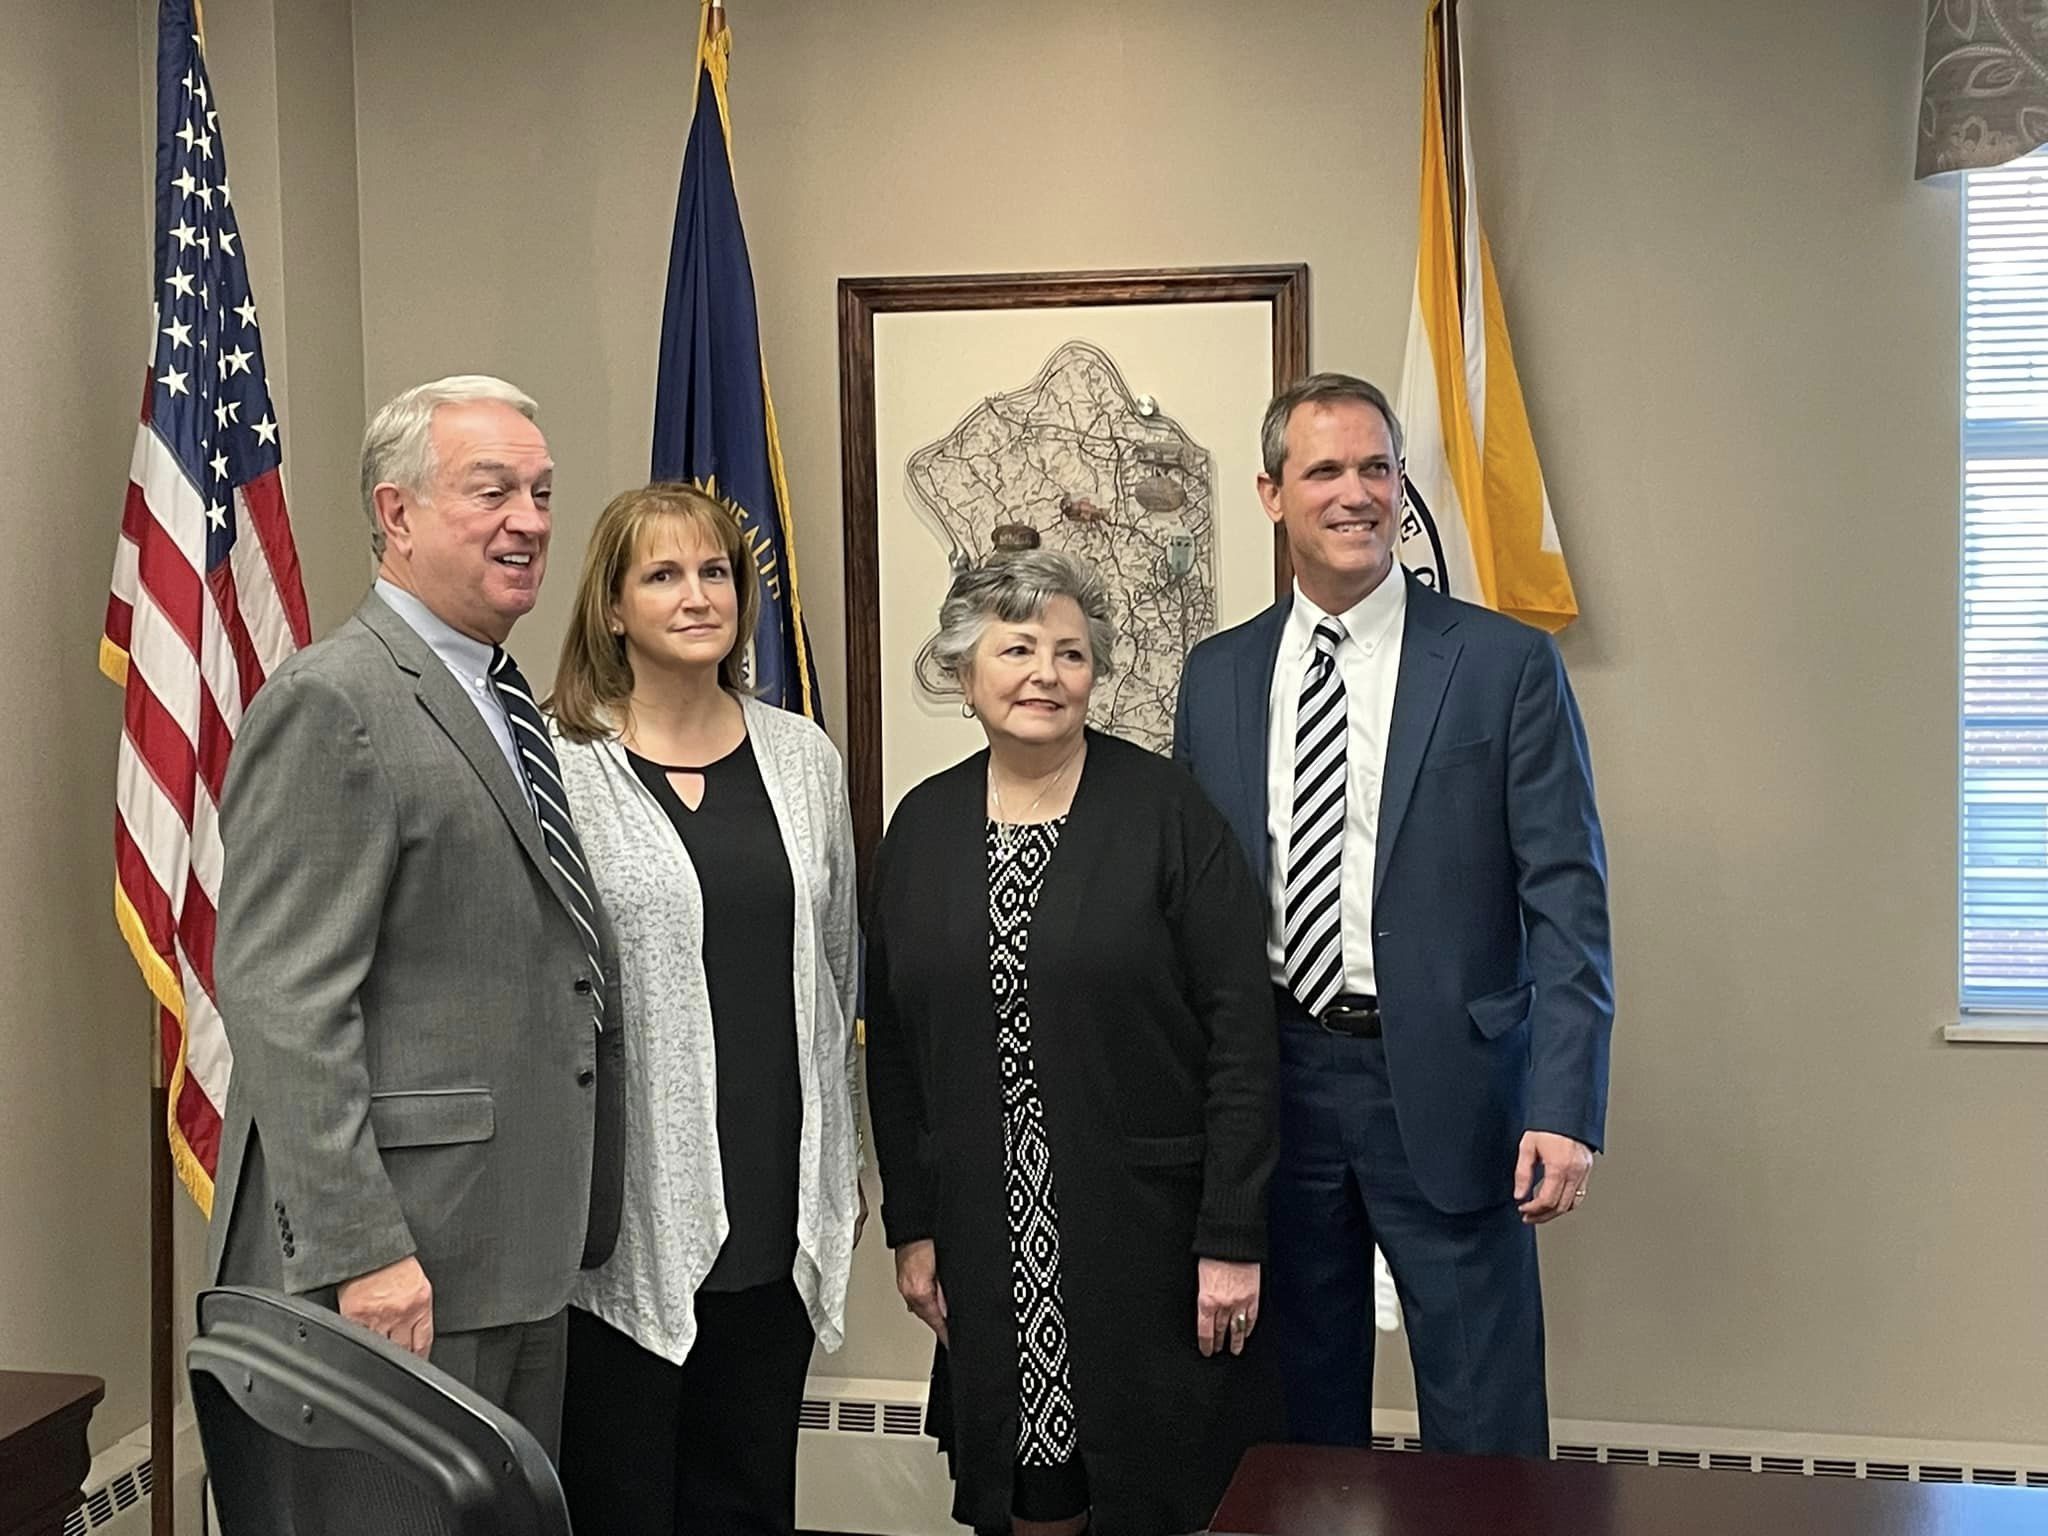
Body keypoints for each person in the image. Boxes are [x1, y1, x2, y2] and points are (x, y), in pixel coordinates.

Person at [1173, 372, 1613, 1457]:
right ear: (1272, 493)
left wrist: (1566, 1103)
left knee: (1485, 1429)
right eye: (1324, 470)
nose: (1354, 493)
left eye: (1375, 467)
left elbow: (1565, 897)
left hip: (1452, 1092)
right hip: (1278, 1092)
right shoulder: (1218, 677)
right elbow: (1190, 916)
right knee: (1294, 1432)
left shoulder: (1502, 665)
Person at [207, 374, 623, 1453]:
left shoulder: (498, 693)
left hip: (511, 1248)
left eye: (540, 492)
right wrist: (361, 1251)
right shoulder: (334, 701)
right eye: (492, 492)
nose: (529, 521)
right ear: (396, 514)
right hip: (404, 1265)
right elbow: (283, 1004)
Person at [865, 545, 1283, 1536]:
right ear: (964, 674)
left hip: (1144, 1230)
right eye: (1016, 650)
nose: (1045, 674)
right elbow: (891, 1047)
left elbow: (1239, 1035)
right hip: (982, 1232)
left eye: (1070, 652)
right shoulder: (920, 828)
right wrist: (912, 1225)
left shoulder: (1167, 815)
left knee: (1155, 1487)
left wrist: (1230, 1235)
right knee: (1029, 1485)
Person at [546, 483, 862, 1536]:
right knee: (623, 1500)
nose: (696, 595)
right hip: (622, 1219)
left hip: (775, 1205)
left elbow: (834, 972)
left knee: (747, 1498)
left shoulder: (801, 758)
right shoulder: (559, 767)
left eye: (716, 571)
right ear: (612, 606)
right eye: (663, 574)